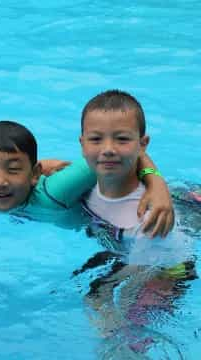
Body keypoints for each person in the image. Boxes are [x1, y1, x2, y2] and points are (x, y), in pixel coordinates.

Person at [76, 89, 195, 352]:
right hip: (127, 250)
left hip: (168, 269)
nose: (107, 149)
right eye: (96, 139)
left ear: (143, 144)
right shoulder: (81, 184)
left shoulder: (150, 217)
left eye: (121, 139)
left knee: (124, 333)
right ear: (82, 143)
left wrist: (102, 287)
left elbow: (141, 269)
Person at [0, 120, 174, 236]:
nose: (0, 182)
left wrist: (157, 184)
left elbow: (125, 151)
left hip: (173, 205)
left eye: (13, 170)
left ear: (34, 174)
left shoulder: (55, 191)